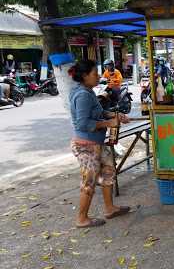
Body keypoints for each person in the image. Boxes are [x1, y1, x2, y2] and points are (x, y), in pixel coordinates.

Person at [69, 60, 131, 228]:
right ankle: (82, 218)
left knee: (109, 171)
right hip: (86, 146)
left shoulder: (87, 91)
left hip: (97, 143)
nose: (98, 76)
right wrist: (107, 124)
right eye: (94, 74)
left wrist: (114, 116)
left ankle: (110, 208)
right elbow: (83, 123)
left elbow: (99, 112)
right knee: (89, 182)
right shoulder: (82, 94)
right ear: (84, 76)